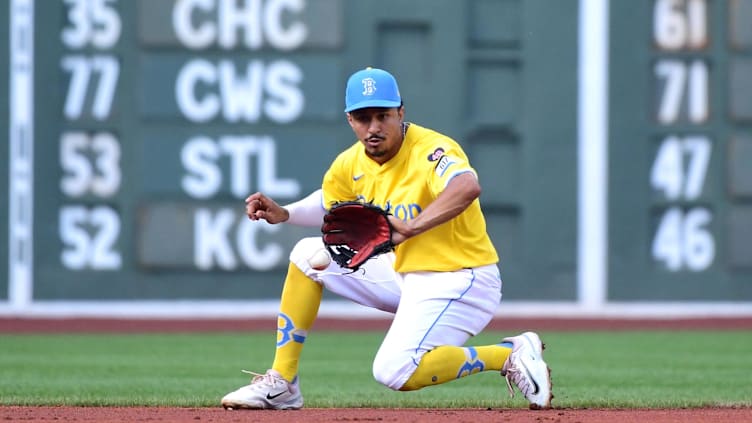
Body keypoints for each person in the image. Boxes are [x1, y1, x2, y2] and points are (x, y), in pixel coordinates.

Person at [221, 67, 552, 410]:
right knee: (307, 255)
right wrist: (286, 213)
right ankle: (283, 382)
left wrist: (412, 226)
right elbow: (330, 204)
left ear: (401, 113)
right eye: (364, 118)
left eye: (383, 115)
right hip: (406, 274)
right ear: (350, 119)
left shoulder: (431, 149)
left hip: (462, 278)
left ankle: (509, 355)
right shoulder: (349, 164)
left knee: (394, 371)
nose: (374, 127)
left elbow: (466, 186)